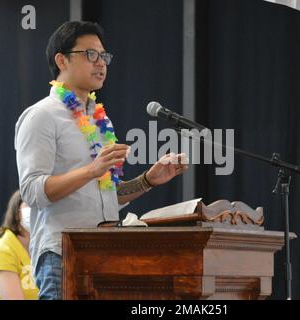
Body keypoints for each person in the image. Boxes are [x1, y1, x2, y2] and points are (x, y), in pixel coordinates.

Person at [14, 21, 188, 300]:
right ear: (62, 60)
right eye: (90, 55)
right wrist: (91, 170)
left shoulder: (100, 120)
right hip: (62, 255)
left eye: (104, 56)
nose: (101, 64)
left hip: (106, 253)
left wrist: (148, 180)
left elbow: (109, 195)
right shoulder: (41, 116)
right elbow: (32, 191)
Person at [0, 190, 39, 300]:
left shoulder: (42, 249)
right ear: (17, 214)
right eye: (31, 206)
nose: (37, 212)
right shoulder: (0, 251)